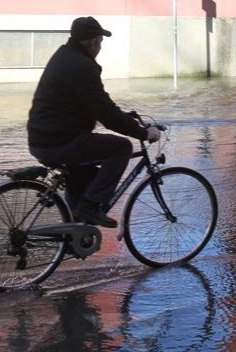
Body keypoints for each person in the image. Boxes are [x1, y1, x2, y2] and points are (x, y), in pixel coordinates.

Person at [27, 16, 161, 228]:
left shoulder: (64, 56)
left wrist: (125, 117)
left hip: (43, 137)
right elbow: (105, 113)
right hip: (60, 141)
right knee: (121, 148)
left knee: (86, 174)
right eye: (100, 42)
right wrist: (143, 133)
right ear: (93, 42)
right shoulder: (82, 66)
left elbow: (94, 104)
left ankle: (74, 230)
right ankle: (90, 207)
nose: (100, 47)